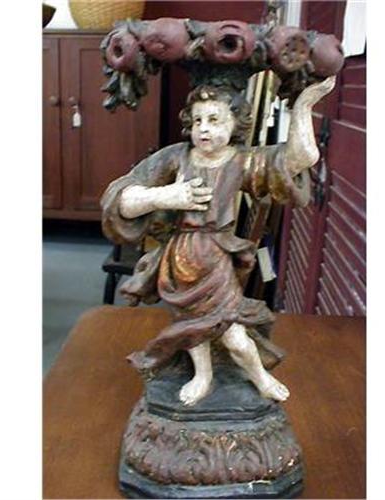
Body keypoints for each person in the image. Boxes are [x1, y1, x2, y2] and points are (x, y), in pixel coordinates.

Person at [101, 76, 335, 406]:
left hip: (216, 260)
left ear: (235, 123)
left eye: (214, 119)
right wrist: (163, 196)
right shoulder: (176, 157)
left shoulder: (241, 160)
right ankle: (203, 375)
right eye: (198, 120)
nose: (204, 129)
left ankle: (261, 377)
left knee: (234, 335)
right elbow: (118, 198)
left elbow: (300, 158)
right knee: (192, 328)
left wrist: (304, 105)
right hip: (179, 259)